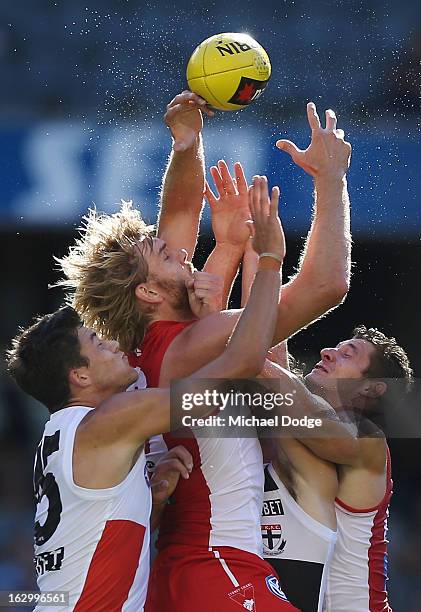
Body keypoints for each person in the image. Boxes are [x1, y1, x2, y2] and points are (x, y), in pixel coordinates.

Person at [6, 189, 287, 612]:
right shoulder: (114, 418)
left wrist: (152, 501)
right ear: (79, 375)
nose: (116, 346)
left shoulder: (61, 434)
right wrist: (266, 258)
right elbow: (243, 359)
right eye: (99, 345)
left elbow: (80, 561)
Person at [256, 328, 413, 612]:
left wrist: (244, 353)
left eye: (346, 355)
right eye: (335, 347)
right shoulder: (309, 423)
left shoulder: (367, 441)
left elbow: (286, 391)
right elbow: (284, 382)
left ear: (371, 388)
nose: (326, 352)